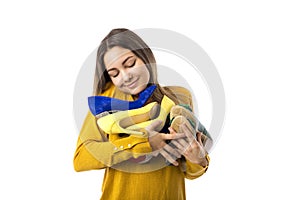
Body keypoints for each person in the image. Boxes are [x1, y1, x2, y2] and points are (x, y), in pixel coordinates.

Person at [73, 28, 210, 200]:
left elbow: (189, 171)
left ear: (146, 58)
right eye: (114, 74)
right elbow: (81, 159)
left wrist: (198, 160)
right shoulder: (106, 103)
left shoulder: (179, 97)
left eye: (130, 63)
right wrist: (143, 143)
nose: (125, 76)